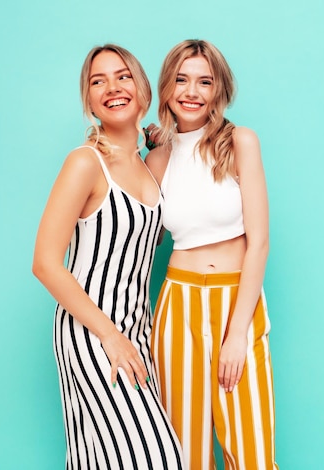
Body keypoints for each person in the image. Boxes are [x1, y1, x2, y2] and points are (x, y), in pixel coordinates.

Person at [32, 44, 183, 469]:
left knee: (104, 460)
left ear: (143, 88)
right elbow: (44, 262)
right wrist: (111, 336)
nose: (112, 87)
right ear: (88, 100)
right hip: (92, 332)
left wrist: (161, 140)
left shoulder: (149, 167)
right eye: (97, 81)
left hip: (138, 333)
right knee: (158, 457)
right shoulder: (85, 163)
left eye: (122, 76)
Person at [145, 39, 279, 469]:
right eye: (181, 79)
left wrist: (238, 332)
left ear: (219, 90)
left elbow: (258, 242)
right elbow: (143, 236)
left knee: (253, 454)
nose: (192, 91)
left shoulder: (240, 142)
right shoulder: (158, 159)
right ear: (166, 87)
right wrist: (142, 144)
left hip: (235, 304)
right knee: (186, 454)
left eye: (205, 81)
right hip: (177, 307)